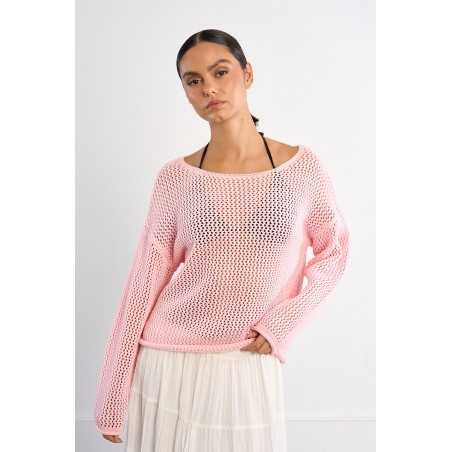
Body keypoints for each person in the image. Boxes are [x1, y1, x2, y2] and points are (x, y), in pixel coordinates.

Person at [94, 29, 350, 451]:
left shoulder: (302, 169)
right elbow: (142, 284)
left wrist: (285, 322)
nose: (208, 88)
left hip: (248, 358)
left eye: (220, 72)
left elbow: (334, 253)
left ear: (247, 74)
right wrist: (112, 392)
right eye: (193, 80)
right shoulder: (176, 178)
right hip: (167, 361)